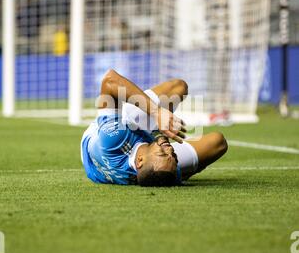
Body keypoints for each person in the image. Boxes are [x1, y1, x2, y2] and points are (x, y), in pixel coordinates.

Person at [81, 69, 228, 186]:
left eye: (163, 154)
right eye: (174, 157)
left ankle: (155, 120)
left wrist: (156, 112)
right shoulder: (162, 169)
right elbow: (219, 142)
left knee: (178, 88)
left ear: (139, 161)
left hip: (95, 150)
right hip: (147, 161)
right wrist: (185, 169)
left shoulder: (114, 138)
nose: (170, 149)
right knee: (217, 144)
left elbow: (109, 80)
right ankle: (185, 170)